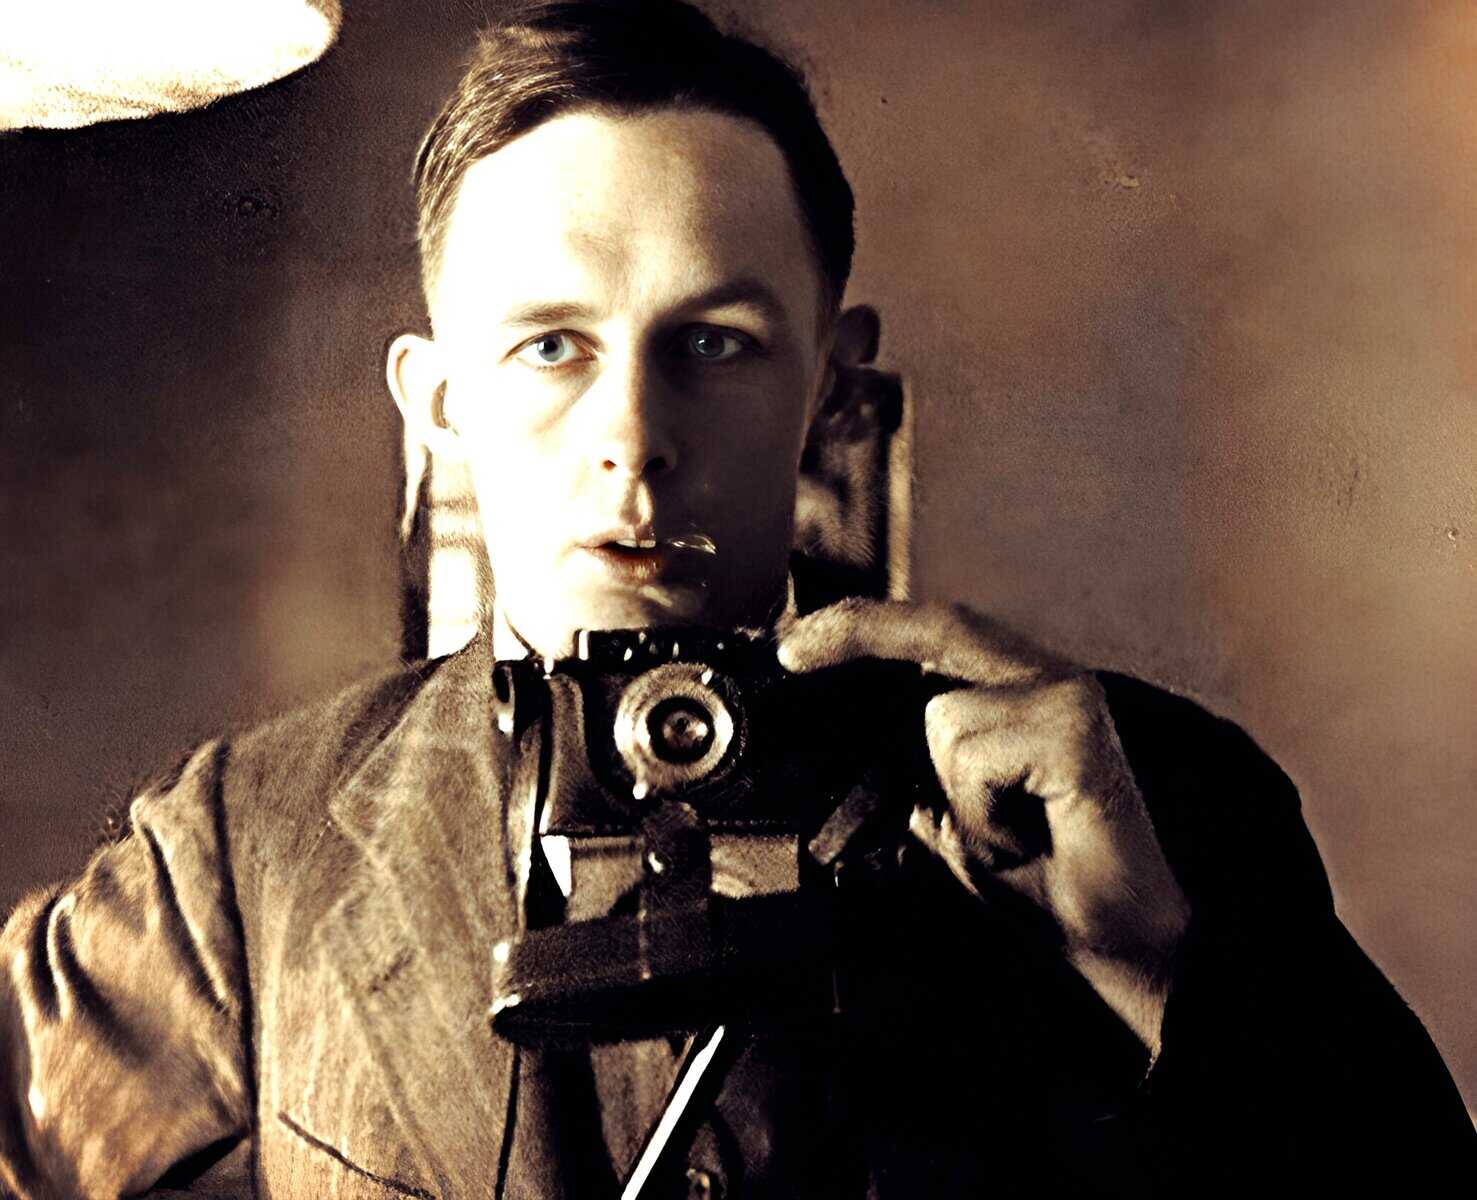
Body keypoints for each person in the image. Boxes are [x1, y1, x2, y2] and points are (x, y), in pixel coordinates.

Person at [1, 2, 1471, 1197]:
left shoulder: (1153, 794)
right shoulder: (233, 854)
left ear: (834, 383)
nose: (632, 438)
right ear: (436, 403)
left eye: (710, 344)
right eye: (548, 349)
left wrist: (1153, 968)